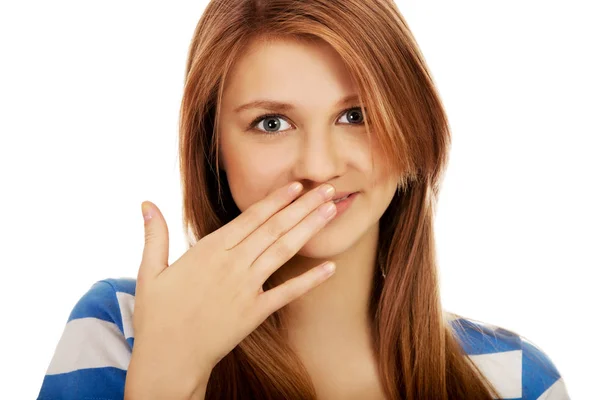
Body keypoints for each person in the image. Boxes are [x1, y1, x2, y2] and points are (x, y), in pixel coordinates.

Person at [36, 0, 570, 399]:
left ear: (411, 130)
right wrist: (166, 377)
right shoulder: (120, 329)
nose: (319, 166)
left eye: (355, 116)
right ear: (212, 147)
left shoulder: (518, 378)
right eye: (272, 123)